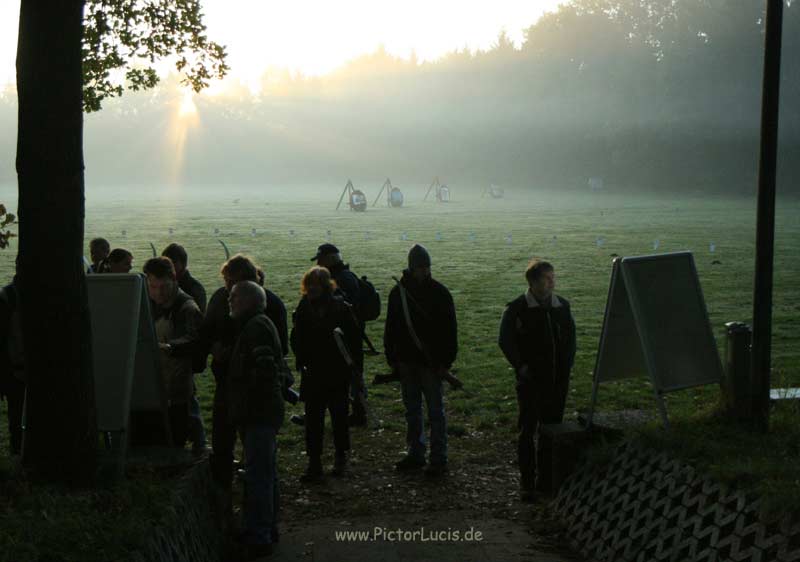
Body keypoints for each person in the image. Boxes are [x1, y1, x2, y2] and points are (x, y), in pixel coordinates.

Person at [182, 254, 288, 490]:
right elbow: (207, 331)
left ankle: (259, 503)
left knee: (257, 449)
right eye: (226, 281)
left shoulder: (270, 303)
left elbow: (279, 348)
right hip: (225, 383)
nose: (228, 288)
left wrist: (238, 354)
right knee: (222, 442)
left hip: (254, 390)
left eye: (233, 282)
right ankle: (224, 493)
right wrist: (212, 348)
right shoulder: (222, 298)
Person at [498, 259, 576, 502]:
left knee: (550, 432)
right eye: (547, 278)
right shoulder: (517, 309)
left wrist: (565, 369)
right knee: (527, 431)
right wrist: (521, 367)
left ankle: (546, 482)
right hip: (530, 383)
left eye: (553, 277)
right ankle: (527, 483)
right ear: (533, 282)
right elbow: (506, 341)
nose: (552, 282)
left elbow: (571, 341)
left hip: (556, 382)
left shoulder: (562, 306)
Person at [384, 244, 457, 477]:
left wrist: (445, 361)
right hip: (407, 361)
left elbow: (449, 330)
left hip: (432, 363)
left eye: (426, 267)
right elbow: (391, 327)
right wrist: (392, 358)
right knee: (412, 410)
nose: (424, 272)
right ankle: (416, 453)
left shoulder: (440, 292)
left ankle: (438, 458)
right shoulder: (399, 293)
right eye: (419, 268)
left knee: (436, 411)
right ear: (411, 268)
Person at [228, 280, 286, 559]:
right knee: (266, 473)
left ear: (250, 301)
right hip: (261, 411)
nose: (231, 301)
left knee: (259, 476)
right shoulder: (258, 324)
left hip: (258, 412)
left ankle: (259, 535)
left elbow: (264, 371)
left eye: (235, 297)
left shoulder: (256, 328)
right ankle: (267, 528)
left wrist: (245, 397)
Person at [290, 266, 360, 481]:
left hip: (337, 373)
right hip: (313, 373)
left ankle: (341, 459)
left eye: (316, 283)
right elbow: (296, 338)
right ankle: (314, 463)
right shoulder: (304, 308)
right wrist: (302, 359)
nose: (311, 287)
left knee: (339, 418)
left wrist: (354, 370)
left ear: (325, 286)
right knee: (313, 421)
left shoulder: (341, 309)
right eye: (309, 283)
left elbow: (353, 342)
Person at [143, 256, 203, 448]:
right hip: (148, 387)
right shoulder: (144, 301)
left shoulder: (186, 307)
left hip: (176, 388)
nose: (158, 292)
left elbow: (193, 339)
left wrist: (170, 347)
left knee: (176, 438)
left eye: (163, 287)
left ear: (174, 280)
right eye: (153, 287)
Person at [312, 243, 367, 426]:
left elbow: (347, 308)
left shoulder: (343, 278)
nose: (318, 263)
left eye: (321, 259)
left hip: (348, 336)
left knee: (353, 375)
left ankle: (358, 412)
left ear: (330, 259)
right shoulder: (340, 276)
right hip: (340, 335)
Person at [162, 243, 208, 455]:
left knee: (188, 399)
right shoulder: (181, 286)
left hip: (183, 353)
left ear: (179, 264)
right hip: (174, 352)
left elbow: (195, 326)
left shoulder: (192, 290)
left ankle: (199, 444)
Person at [0, 275, 25, 455]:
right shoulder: (8, 297)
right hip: (15, 367)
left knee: (16, 412)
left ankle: (17, 450)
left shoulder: (7, 295)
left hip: (14, 366)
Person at [162, 243, 206, 313]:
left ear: (183, 264)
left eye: (173, 262)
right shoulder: (162, 286)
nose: (169, 267)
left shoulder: (195, 289)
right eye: (166, 263)